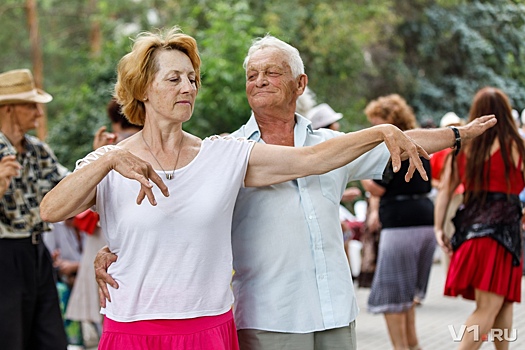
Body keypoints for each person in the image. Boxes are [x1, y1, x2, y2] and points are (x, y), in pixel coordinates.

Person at [38, 26, 445, 350]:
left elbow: (311, 159)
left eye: (193, 78)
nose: (188, 88)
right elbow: (51, 210)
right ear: (144, 89)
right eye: (175, 78)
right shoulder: (110, 162)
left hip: (208, 328)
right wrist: (109, 159)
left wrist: (386, 131)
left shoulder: (223, 154)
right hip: (131, 329)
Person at [435, 87, 524, 350]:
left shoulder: (465, 147)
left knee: (504, 302)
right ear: (507, 113)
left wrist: (438, 227)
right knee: (487, 309)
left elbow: (445, 191)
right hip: (503, 235)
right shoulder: (517, 146)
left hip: (472, 232)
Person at [65, 98, 143, 346]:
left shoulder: (110, 150)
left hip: (106, 234)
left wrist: (96, 154)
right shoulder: (153, 145)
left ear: (114, 122)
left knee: (106, 303)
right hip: (138, 235)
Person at [0, 68, 69, 349]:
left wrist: (96, 162)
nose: (39, 113)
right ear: (7, 109)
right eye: (30, 105)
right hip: (4, 256)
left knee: (51, 338)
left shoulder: (39, 150)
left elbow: (69, 187)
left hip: (37, 253)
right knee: (8, 338)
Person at [361, 94, 436, 350]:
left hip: (401, 223)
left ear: (390, 121)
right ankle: (412, 345)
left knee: (392, 293)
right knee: (407, 296)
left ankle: (401, 347)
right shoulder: (418, 140)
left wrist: (358, 172)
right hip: (425, 220)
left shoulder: (392, 147)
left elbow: (378, 188)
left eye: (376, 121)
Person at [430, 112, 464, 274]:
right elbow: (432, 178)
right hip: (450, 197)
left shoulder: (466, 148)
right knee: (447, 235)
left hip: (463, 196)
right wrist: (445, 186)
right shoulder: (439, 152)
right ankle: (451, 272)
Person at [43, 218, 86, 347]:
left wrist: (76, 266)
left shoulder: (90, 221)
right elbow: (50, 259)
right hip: (66, 277)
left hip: (87, 274)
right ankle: (73, 340)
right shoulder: (54, 226)